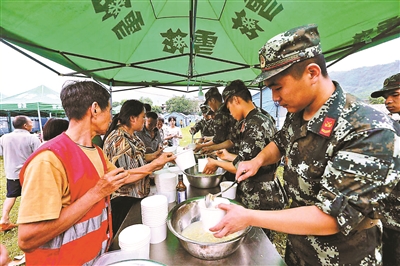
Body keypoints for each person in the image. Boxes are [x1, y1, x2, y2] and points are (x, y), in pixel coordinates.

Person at [210, 24, 400, 265]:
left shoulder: (366, 129)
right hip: (300, 248)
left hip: (343, 257)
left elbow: (330, 217)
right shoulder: (298, 113)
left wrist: (248, 216)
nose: (275, 99)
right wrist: (256, 160)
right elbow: (279, 143)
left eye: (278, 87)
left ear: (312, 73)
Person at [17, 81, 175, 265]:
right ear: (95, 109)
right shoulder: (49, 159)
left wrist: (156, 163)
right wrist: (97, 192)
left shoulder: (95, 152)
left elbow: (124, 176)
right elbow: (27, 239)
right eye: (109, 110)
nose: (111, 117)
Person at [203, 80, 286, 233]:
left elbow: (240, 168)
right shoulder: (262, 115)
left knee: (258, 240)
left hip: (260, 194)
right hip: (265, 189)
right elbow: (250, 160)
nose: (231, 114)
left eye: (229, 108)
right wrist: (228, 156)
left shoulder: (253, 124)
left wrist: (216, 163)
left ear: (235, 100)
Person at [103, 102, 173, 235]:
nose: (145, 120)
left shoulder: (130, 134)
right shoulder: (118, 140)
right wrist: (156, 164)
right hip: (124, 201)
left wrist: (154, 156)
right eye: (143, 116)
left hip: (135, 197)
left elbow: (134, 159)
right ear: (132, 118)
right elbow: (125, 176)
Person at [370, 73, 400, 265]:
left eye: (395, 95)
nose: (388, 101)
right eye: (385, 97)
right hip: (387, 217)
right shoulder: (393, 127)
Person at [0, 115, 41, 232]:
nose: (32, 124)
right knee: (31, 196)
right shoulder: (32, 138)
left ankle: (4, 218)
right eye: (31, 122)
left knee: (11, 196)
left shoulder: (4, 137)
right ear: (25, 125)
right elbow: (39, 154)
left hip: (11, 173)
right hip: (28, 173)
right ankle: (31, 220)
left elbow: (1, 153)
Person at [194, 87, 238, 154]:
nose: (210, 107)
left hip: (231, 151)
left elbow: (218, 139)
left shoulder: (220, 114)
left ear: (213, 100)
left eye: (209, 103)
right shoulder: (227, 109)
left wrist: (203, 146)